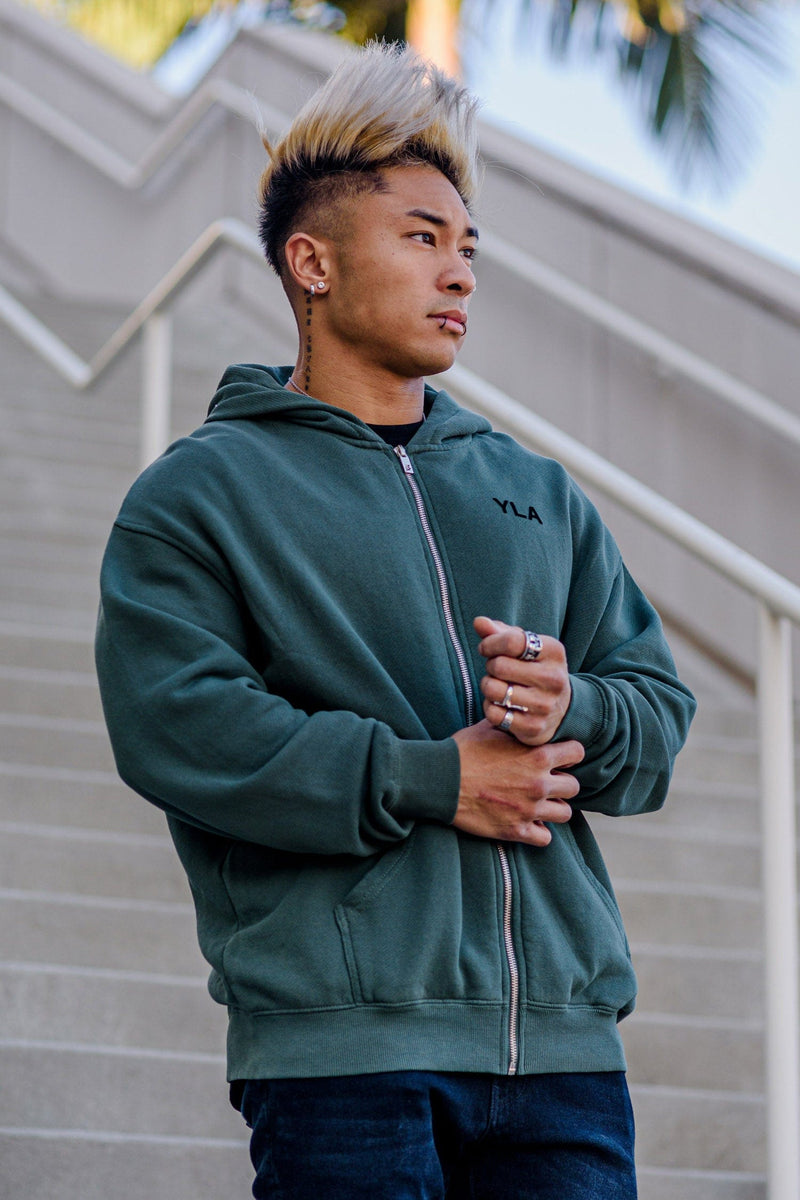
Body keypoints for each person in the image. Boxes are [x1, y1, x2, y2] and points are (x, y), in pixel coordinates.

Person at [95, 41, 696, 1200]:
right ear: (310, 262)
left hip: (562, 1058)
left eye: (467, 246)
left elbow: (656, 715)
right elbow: (180, 728)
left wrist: (573, 707)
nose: (458, 273)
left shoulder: (534, 491)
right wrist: (432, 778)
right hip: (342, 1054)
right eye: (422, 238)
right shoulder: (199, 495)